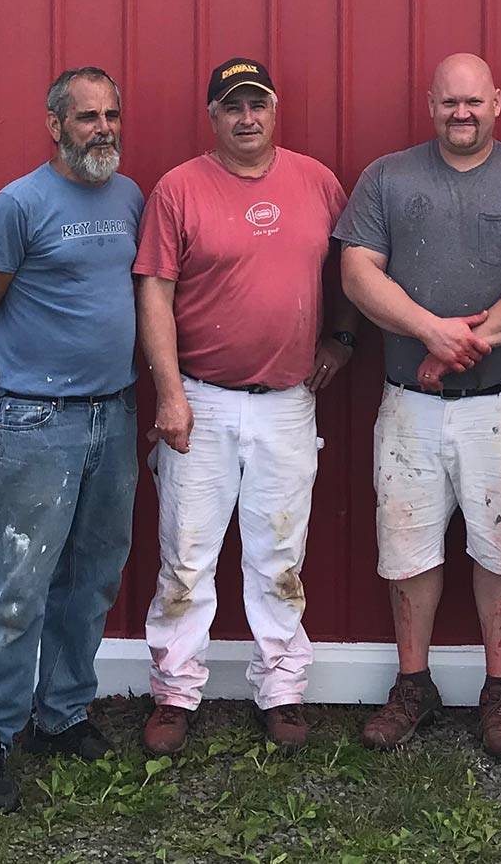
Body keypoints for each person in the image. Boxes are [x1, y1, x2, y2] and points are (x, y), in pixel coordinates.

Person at [336, 53, 501, 758]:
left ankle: (499, 688)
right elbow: (356, 273)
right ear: (430, 104)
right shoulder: (388, 177)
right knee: (407, 546)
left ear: (497, 102)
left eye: (474, 101)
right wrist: (430, 332)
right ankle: (413, 683)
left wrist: (467, 342)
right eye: (450, 102)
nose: (462, 113)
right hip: (408, 401)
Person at [135, 57, 356, 754]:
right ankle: (175, 692)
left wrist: (343, 337)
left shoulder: (317, 181)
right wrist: (169, 393)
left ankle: (283, 690)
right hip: (199, 398)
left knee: (279, 554)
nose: (247, 118)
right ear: (213, 116)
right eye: (233, 106)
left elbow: (352, 266)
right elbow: (154, 293)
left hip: (288, 401)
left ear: (274, 107)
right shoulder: (178, 189)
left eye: (257, 103)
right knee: (187, 554)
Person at [0, 67, 143, 811]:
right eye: (88, 116)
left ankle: (60, 714)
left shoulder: (129, 197)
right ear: (55, 125)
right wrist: (8, 397)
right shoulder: (16, 205)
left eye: (112, 114)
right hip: (37, 419)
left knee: (91, 574)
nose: (104, 128)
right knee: (14, 584)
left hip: (116, 415)